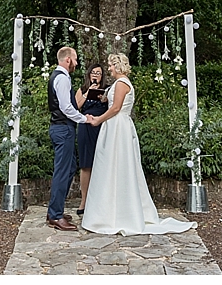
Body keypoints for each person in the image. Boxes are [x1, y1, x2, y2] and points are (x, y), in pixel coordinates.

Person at [81, 53, 197, 235]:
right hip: (114, 126)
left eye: (111, 65)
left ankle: (118, 213)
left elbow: (116, 108)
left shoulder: (121, 83)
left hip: (118, 127)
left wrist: (98, 120)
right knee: (110, 166)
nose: (109, 69)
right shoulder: (118, 83)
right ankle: (109, 211)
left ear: (117, 66)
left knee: (118, 165)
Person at [46, 45, 87, 231]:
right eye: (75, 59)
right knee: (62, 171)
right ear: (68, 59)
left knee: (69, 168)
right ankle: (55, 215)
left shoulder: (60, 77)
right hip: (63, 129)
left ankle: (55, 210)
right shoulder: (62, 78)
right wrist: (84, 119)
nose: (76, 63)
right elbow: (66, 107)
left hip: (62, 128)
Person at [75, 61, 108, 217]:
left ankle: (101, 201)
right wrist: (88, 93)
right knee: (86, 164)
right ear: (89, 75)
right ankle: (84, 200)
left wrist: (105, 99)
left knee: (101, 163)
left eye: (98, 73)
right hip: (86, 126)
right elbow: (76, 106)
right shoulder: (82, 89)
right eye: (93, 73)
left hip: (102, 127)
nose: (96, 75)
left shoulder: (107, 89)